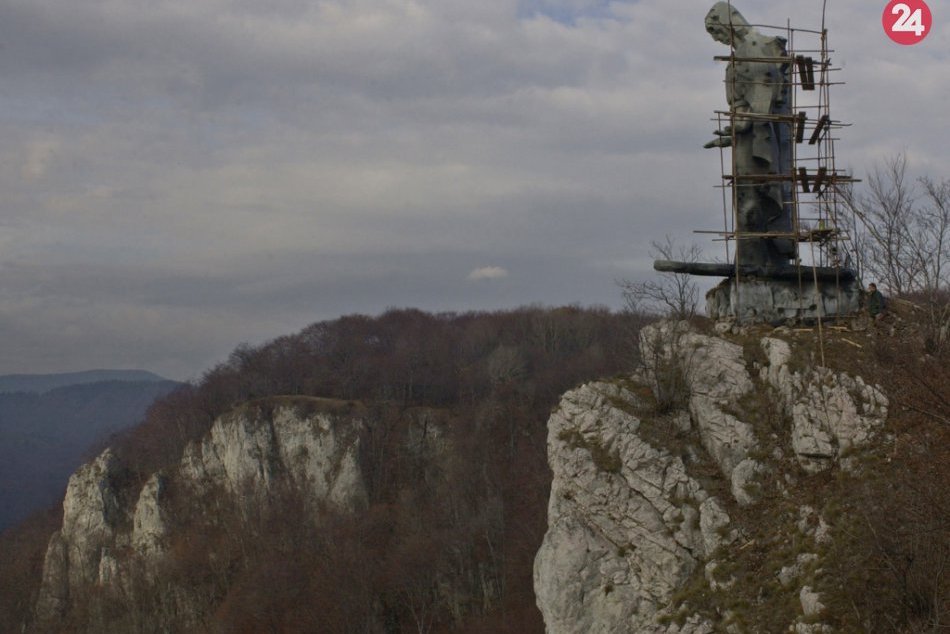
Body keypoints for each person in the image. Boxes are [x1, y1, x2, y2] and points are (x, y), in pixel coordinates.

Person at [703, 2, 796, 270]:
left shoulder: (755, 46)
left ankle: (757, 261)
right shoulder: (745, 49)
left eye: (717, 33)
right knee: (745, 196)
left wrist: (740, 125)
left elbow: (763, 95)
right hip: (749, 135)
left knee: (752, 198)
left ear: (727, 23)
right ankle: (752, 257)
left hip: (759, 137)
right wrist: (733, 131)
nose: (719, 40)